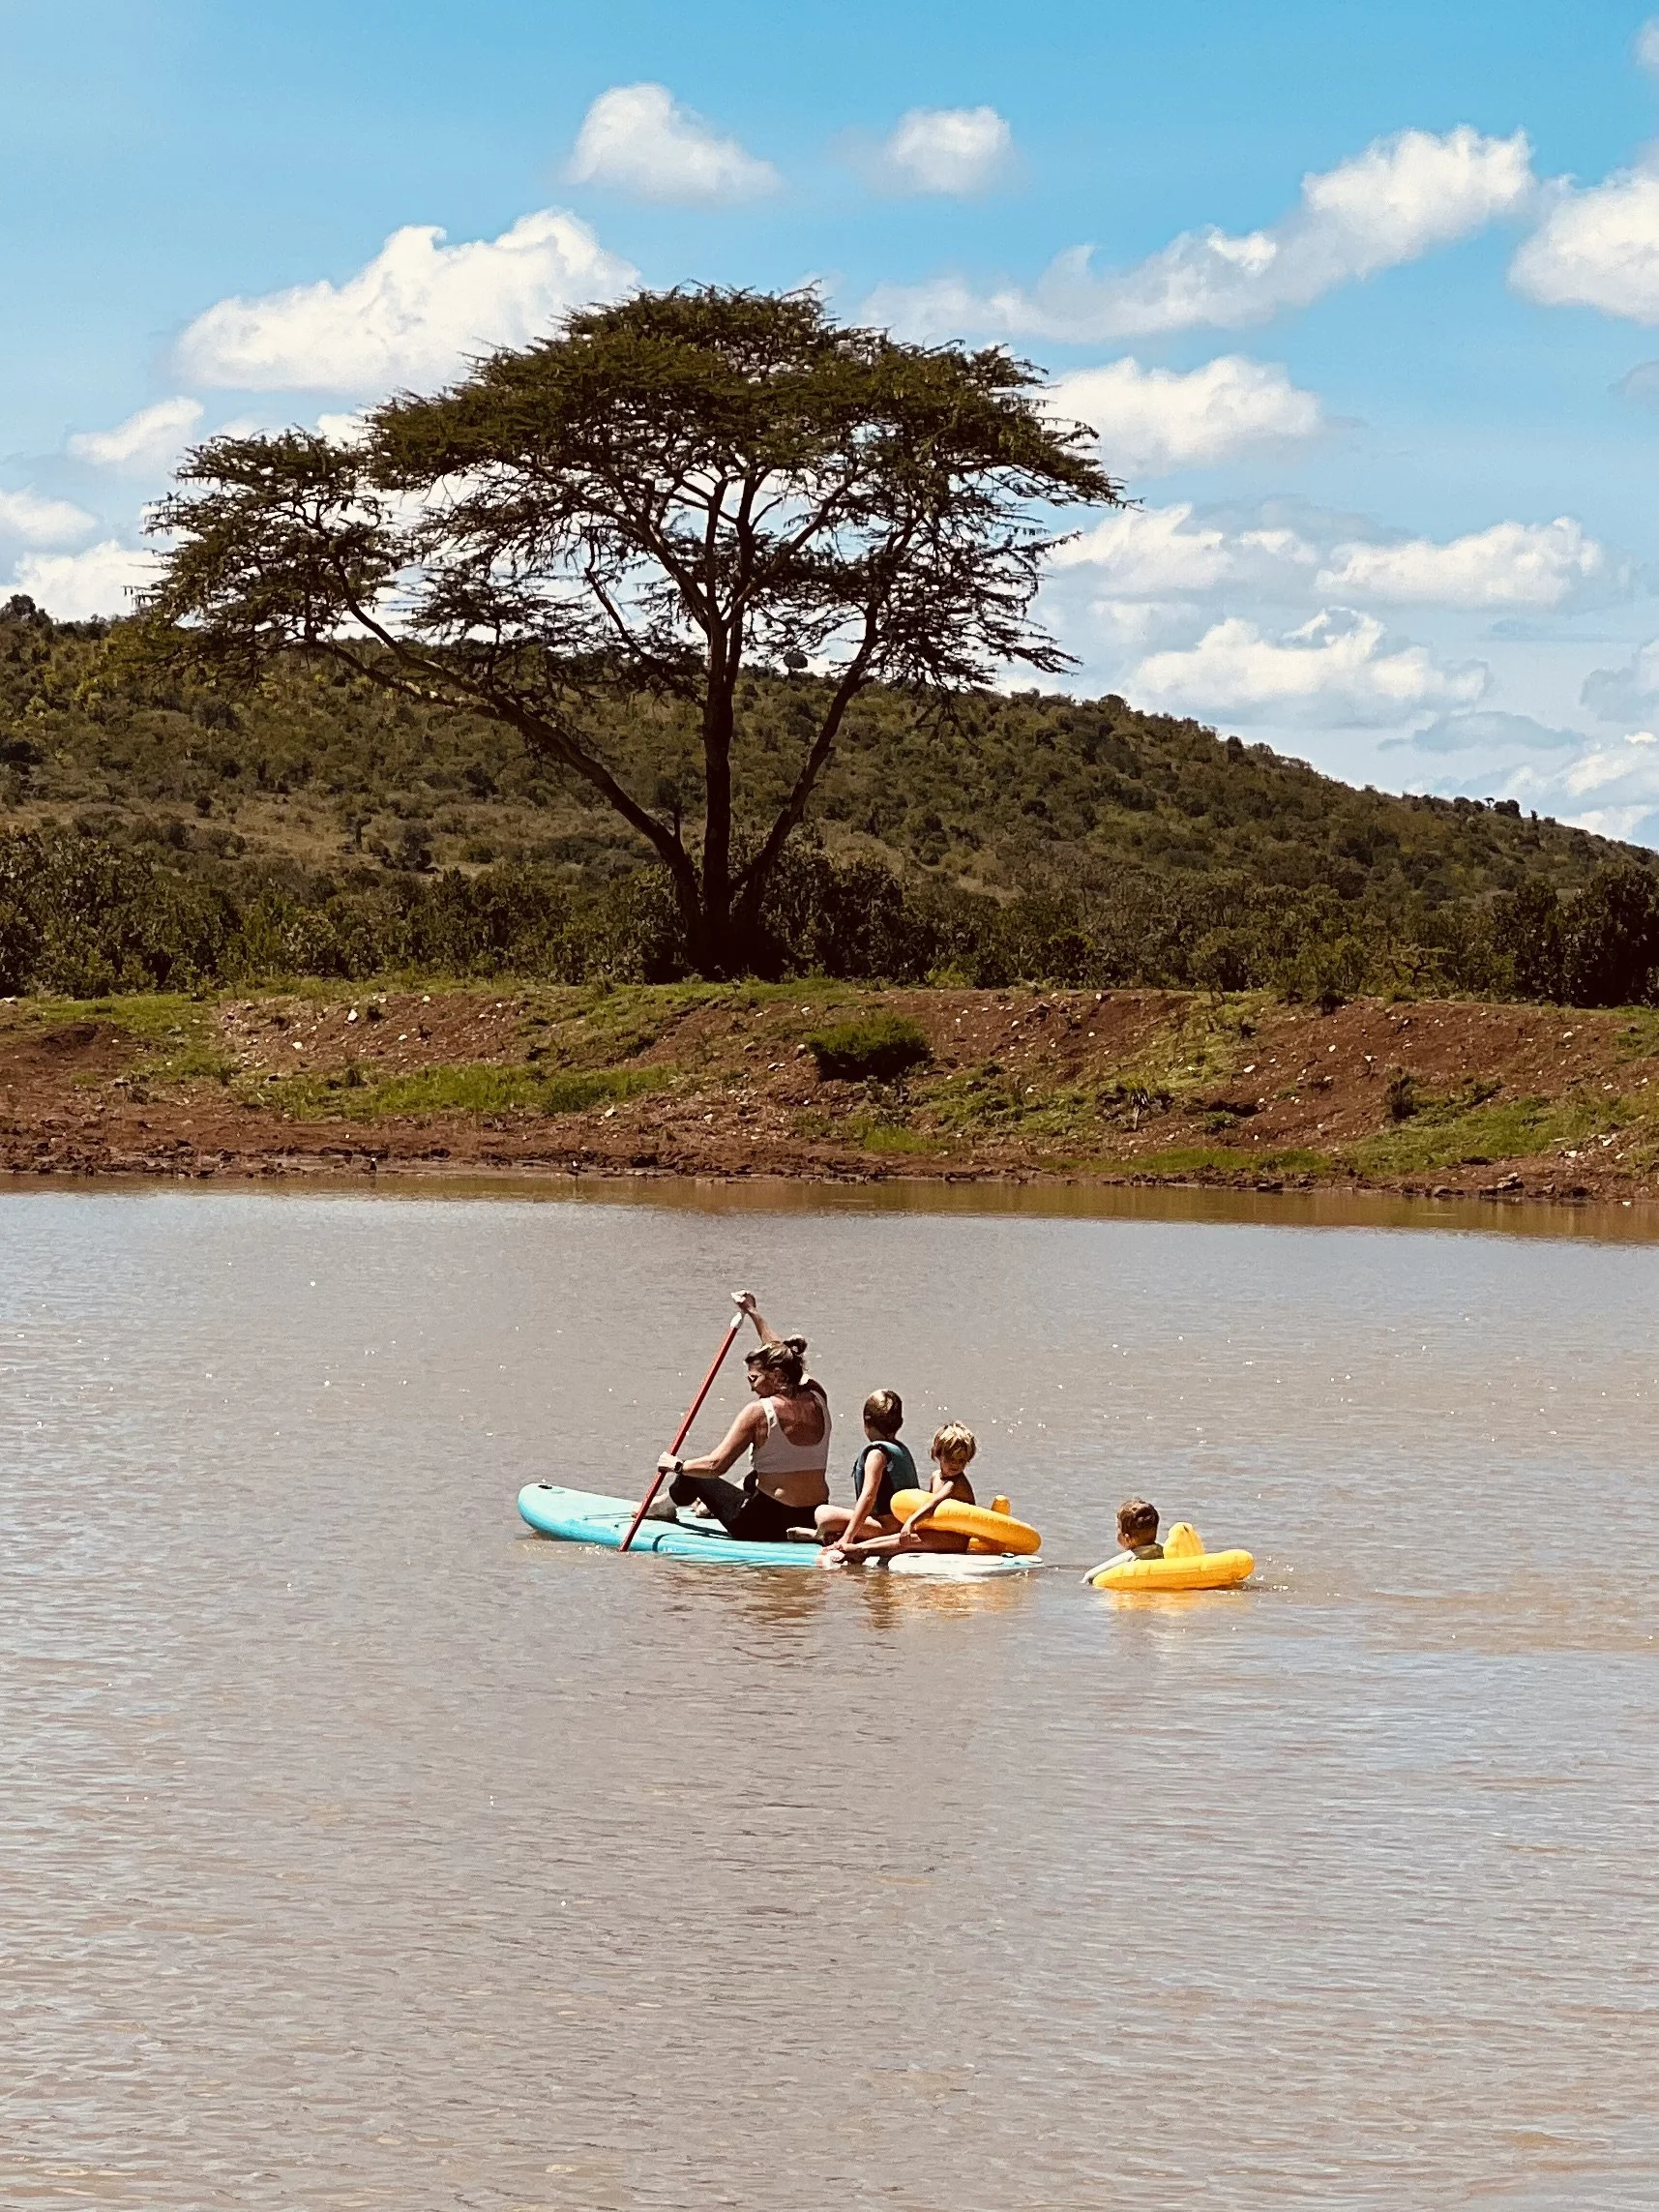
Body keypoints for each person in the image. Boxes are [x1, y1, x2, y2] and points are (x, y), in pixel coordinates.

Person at [653, 1292, 831, 1542]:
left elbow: (717, 1465)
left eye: (754, 1379)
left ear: (777, 1376)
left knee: (693, 1474)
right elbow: (783, 1356)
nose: (751, 1388)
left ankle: (666, 1506)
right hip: (810, 1518)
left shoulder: (758, 1413)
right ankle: (706, 1507)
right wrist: (753, 1313)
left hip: (761, 1526)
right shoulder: (817, 1395)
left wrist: (677, 1466)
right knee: (756, 1475)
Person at [825, 1420, 978, 1567]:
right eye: (951, 1459)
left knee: (907, 1541)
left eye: (962, 1461)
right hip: (939, 1533)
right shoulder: (936, 1476)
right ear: (938, 1454)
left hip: (955, 1540)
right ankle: (857, 1546)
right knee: (902, 1538)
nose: (956, 1465)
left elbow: (933, 1505)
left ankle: (860, 1550)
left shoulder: (955, 1483)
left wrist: (910, 1522)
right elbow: (931, 1510)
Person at [810, 1389, 917, 1554]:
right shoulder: (901, 1450)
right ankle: (829, 1534)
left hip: (885, 1528)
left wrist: (848, 1538)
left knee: (823, 1514)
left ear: (866, 1421)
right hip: (902, 1525)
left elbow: (868, 1496)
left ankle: (843, 1535)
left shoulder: (876, 1454)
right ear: (900, 1423)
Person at [1081, 1497, 1164, 1584]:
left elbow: (1089, 1578)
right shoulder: (1167, 1552)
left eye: (1118, 1528)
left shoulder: (1128, 1560)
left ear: (1127, 1538)